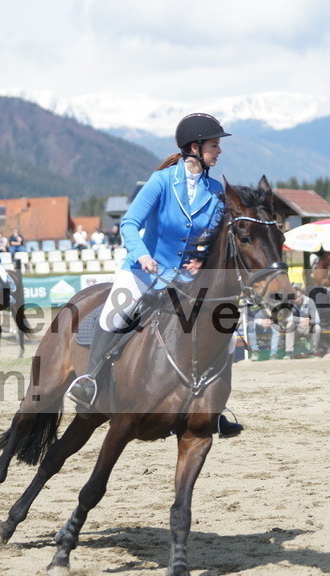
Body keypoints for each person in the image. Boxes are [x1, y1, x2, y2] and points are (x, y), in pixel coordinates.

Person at [65, 112, 241, 437]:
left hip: (186, 281)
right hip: (144, 272)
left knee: (225, 330)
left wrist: (201, 260)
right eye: (215, 145)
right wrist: (142, 255)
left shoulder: (216, 190)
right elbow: (129, 224)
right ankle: (90, 382)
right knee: (114, 316)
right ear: (195, 147)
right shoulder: (160, 182)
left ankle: (213, 407)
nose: (219, 152)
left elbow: (214, 238)